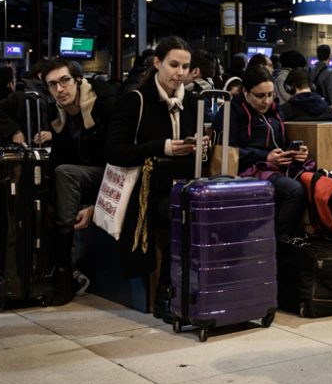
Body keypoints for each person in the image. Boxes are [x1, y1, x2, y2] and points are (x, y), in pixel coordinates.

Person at [105, 36, 205, 317]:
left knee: (204, 210)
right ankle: (167, 294)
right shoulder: (135, 100)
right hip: (145, 190)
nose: (180, 72)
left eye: (185, 66)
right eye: (174, 64)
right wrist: (164, 147)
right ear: (157, 63)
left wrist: (200, 149)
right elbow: (114, 151)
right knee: (183, 215)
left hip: (180, 185)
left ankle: (192, 289)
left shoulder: (194, 101)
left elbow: (194, 158)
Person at [42, 58, 116, 300]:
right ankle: (55, 268)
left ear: (78, 80)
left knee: (64, 173)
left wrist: (98, 205)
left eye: (64, 81)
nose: (59, 89)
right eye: (52, 85)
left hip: (110, 178)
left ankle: (63, 270)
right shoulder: (58, 115)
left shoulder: (103, 104)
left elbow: (120, 162)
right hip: (82, 181)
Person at [212, 65, 308, 239]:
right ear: (245, 92)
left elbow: (279, 144)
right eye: (260, 95)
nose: (267, 101)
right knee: (294, 190)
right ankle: (278, 247)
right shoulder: (230, 112)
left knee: (313, 182)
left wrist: (295, 153)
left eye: (271, 95)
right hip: (247, 170)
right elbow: (225, 152)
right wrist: (265, 157)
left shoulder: (274, 111)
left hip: (275, 168)